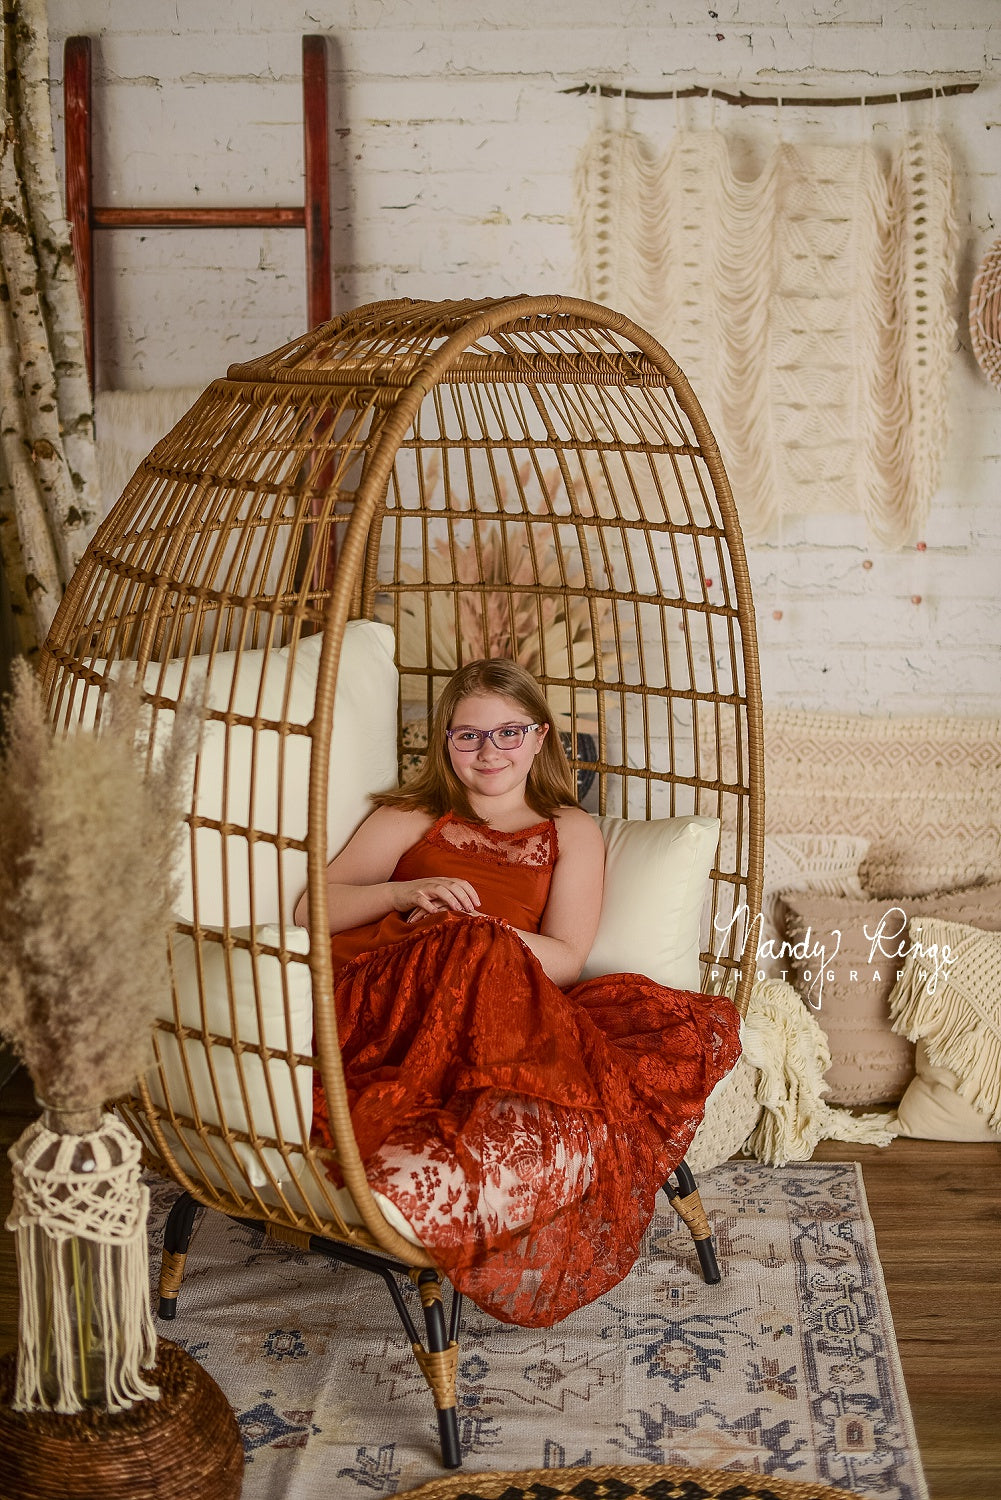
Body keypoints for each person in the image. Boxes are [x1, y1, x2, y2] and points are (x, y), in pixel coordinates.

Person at [295, 658, 741, 1327]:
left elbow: (563, 958)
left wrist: (477, 933)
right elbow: (311, 909)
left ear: (539, 738)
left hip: (502, 994)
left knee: (667, 1026)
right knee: (462, 944)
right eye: (468, 736)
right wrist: (406, 893)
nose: (489, 751)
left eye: (508, 733)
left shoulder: (569, 831)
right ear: (445, 741)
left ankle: (494, 1142)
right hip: (391, 993)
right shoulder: (413, 816)